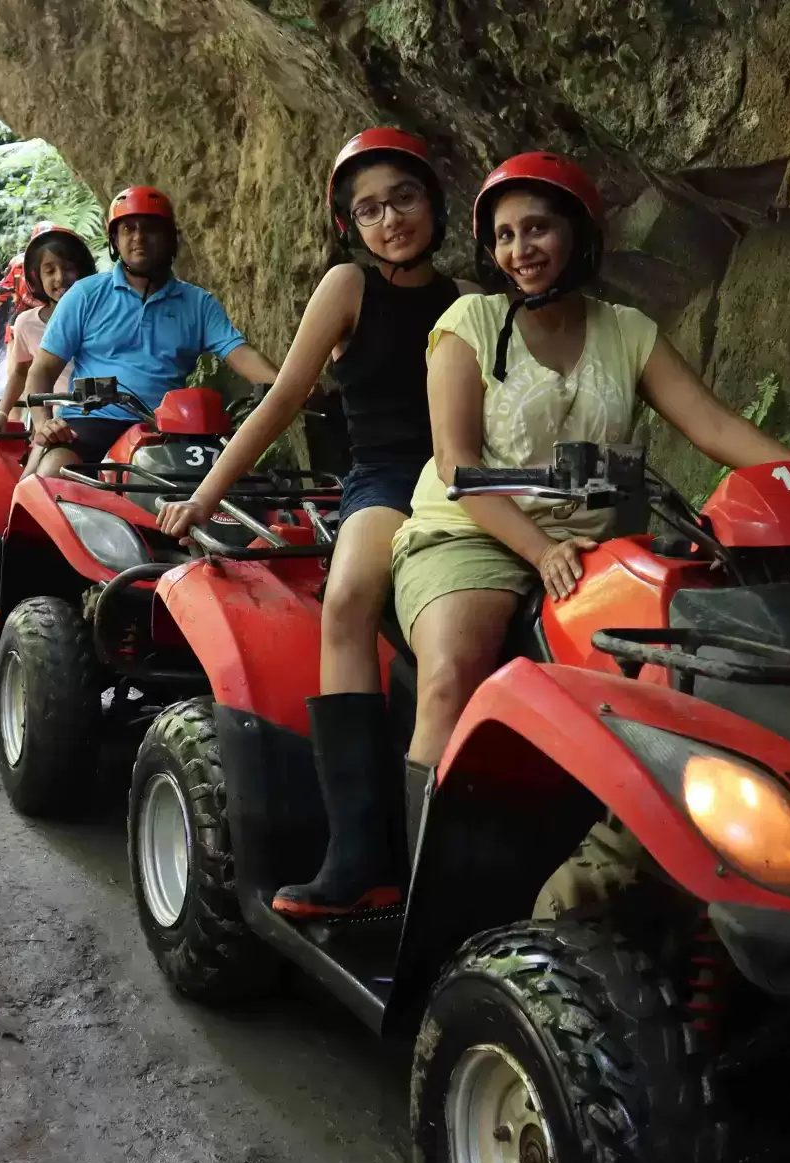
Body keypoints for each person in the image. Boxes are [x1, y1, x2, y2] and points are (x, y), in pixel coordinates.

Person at [393, 153, 790, 780]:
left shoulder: (627, 330)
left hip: (598, 543)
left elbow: (714, 425)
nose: (521, 248)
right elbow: (456, 463)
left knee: (687, 668)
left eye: (538, 228)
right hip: (475, 533)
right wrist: (541, 548)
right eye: (504, 234)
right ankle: (428, 874)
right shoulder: (470, 322)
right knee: (448, 680)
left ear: (578, 233)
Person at [157, 128, 469, 918]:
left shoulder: (470, 302)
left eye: (403, 198)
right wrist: (206, 494)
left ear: (433, 203)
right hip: (389, 478)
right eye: (369, 209)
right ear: (349, 226)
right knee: (351, 594)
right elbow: (284, 395)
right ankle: (358, 852)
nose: (390, 219)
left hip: (466, 480)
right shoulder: (348, 288)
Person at [0, 185, 281, 476]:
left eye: (150, 229)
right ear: (115, 240)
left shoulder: (198, 303)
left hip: (167, 430)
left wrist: (290, 386)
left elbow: (241, 354)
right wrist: (44, 423)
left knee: (249, 487)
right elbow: (42, 370)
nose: (138, 237)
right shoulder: (85, 295)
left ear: (169, 238)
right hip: (89, 422)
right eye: (128, 229)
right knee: (51, 476)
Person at [0, 223, 94, 446]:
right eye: (49, 270)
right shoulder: (26, 323)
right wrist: (2, 412)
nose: (60, 277)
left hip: (99, 419)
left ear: (82, 271)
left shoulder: (101, 317)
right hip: (51, 426)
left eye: (68, 268)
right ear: (36, 277)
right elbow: (21, 372)